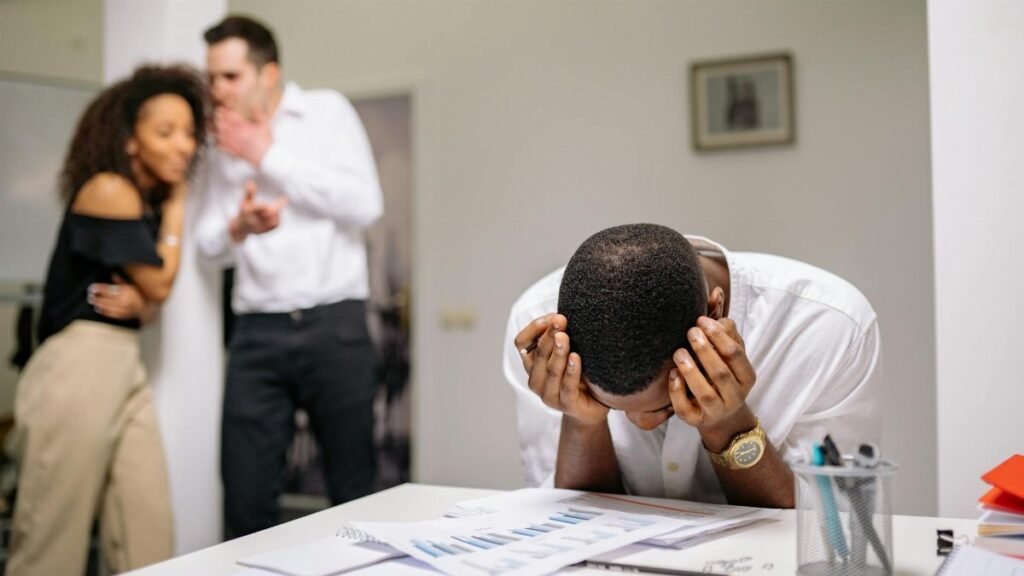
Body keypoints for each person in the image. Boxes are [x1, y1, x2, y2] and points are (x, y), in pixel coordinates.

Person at [503, 224, 880, 508]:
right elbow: (570, 526)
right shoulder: (542, 337)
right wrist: (584, 421)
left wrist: (727, 421)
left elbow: (830, 533)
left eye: (664, 404)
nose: (644, 422)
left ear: (715, 313)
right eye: (613, 407)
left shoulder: (828, 327)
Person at [8, 65, 207, 575]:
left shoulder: (142, 204)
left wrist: (145, 305)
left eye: (189, 132)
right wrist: (182, 201)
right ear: (131, 140)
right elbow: (159, 283)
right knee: (52, 540)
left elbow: (150, 297)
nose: (183, 145)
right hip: (77, 364)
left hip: (123, 365)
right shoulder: (108, 189)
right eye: (166, 132)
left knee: (147, 533)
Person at [194, 15, 383, 537]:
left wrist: (265, 156)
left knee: (354, 488)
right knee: (245, 494)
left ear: (268, 73)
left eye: (230, 77)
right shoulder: (217, 146)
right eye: (212, 78)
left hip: (335, 325)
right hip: (257, 334)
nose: (217, 91)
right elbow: (206, 250)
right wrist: (239, 227)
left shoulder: (326, 112)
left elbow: (365, 204)